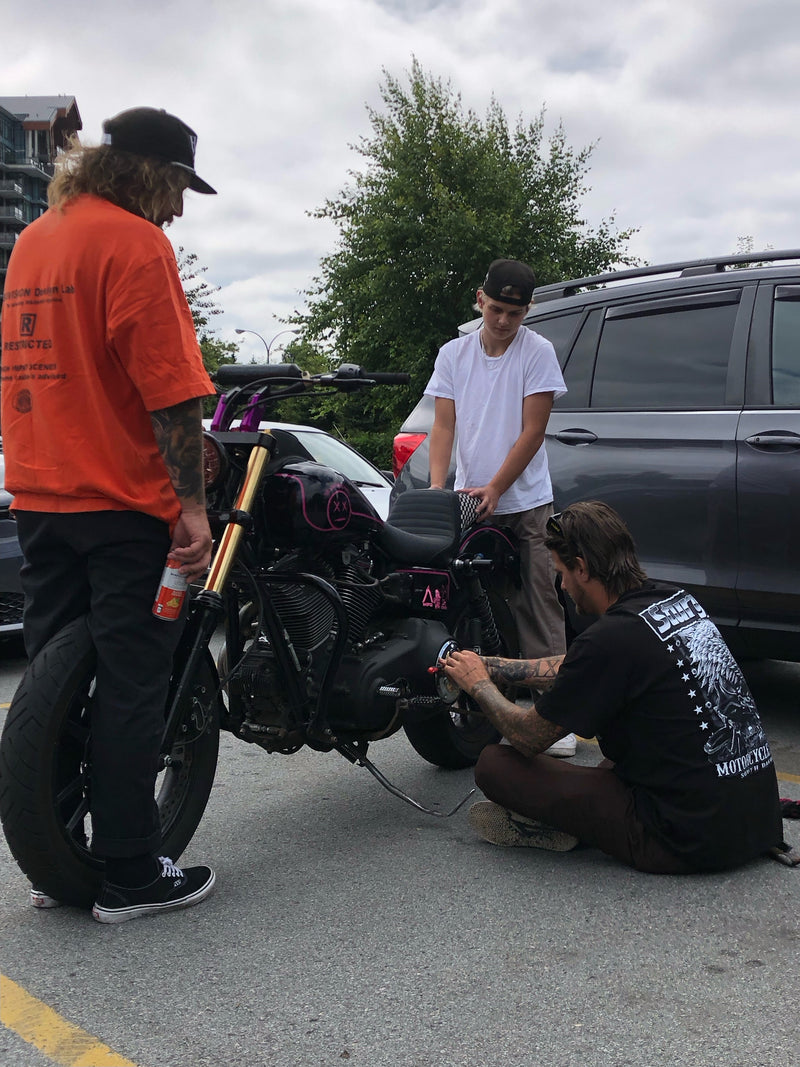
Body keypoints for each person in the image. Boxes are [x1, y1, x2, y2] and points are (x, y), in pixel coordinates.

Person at [0, 107, 218, 921]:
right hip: (123, 504)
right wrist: (191, 508)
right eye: (178, 187)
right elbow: (172, 390)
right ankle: (131, 869)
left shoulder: (35, 240)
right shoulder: (136, 243)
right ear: (147, 174)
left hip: (39, 499)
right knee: (134, 680)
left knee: (56, 676)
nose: (179, 208)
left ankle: (54, 852)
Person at [441, 501, 784, 874]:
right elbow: (582, 667)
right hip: (754, 820)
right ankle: (576, 818)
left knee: (495, 764)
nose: (562, 586)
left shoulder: (609, 639)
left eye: (562, 573)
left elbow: (528, 736)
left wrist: (479, 685)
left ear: (582, 568)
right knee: (609, 762)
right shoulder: (672, 600)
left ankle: (564, 825)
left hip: (685, 840)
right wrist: (492, 666)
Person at [425, 258, 575, 756]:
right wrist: (438, 487)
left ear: (527, 310)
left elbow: (533, 430)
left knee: (538, 602)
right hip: (470, 499)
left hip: (526, 500)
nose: (504, 320)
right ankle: (483, 708)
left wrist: (497, 486)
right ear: (479, 299)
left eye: (515, 312)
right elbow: (443, 425)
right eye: (495, 309)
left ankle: (556, 719)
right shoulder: (453, 354)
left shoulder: (538, 352)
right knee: (473, 601)